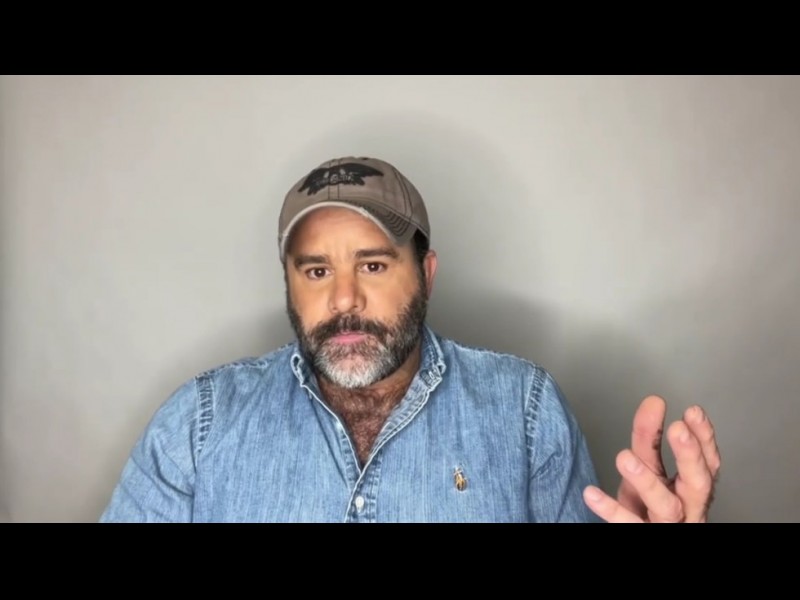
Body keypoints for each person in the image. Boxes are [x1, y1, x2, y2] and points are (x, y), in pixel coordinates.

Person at [100, 156, 721, 523]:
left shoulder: (525, 413)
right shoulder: (200, 424)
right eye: (316, 271)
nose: (343, 299)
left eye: (372, 265)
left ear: (426, 273)